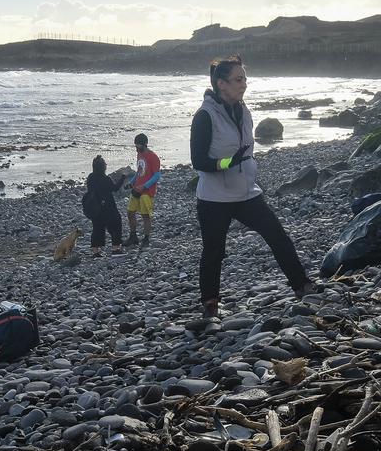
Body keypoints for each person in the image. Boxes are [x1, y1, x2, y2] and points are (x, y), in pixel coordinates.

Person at [190, 54, 316, 319]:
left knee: (277, 235)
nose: (244, 83)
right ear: (221, 83)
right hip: (214, 198)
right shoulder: (204, 116)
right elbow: (198, 160)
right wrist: (227, 162)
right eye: (238, 79)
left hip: (246, 192)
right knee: (214, 251)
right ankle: (210, 305)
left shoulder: (243, 109)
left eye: (244, 78)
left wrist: (244, 166)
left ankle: (302, 285)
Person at [125, 133, 160, 248]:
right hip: (136, 189)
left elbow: (156, 176)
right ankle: (133, 236)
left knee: (145, 216)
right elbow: (139, 172)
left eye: (138, 146)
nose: (136, 148)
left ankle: (146, 238)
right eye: (135, 146)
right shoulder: (139, 155)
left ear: (144, 145)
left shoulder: (153, 157)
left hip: (147, 191)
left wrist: (144, 186)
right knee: (130, 213)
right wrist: (132, 182)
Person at [84, 155, 124, 255]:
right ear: (103, 167)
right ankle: (115, 248)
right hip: (108, 206)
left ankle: (95, 250)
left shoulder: (90, 177)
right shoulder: (105, 178)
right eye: (105, 164)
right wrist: (123, 177)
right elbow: (115, 188)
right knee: (115, 225)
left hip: (95, 206)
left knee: (97, 228)